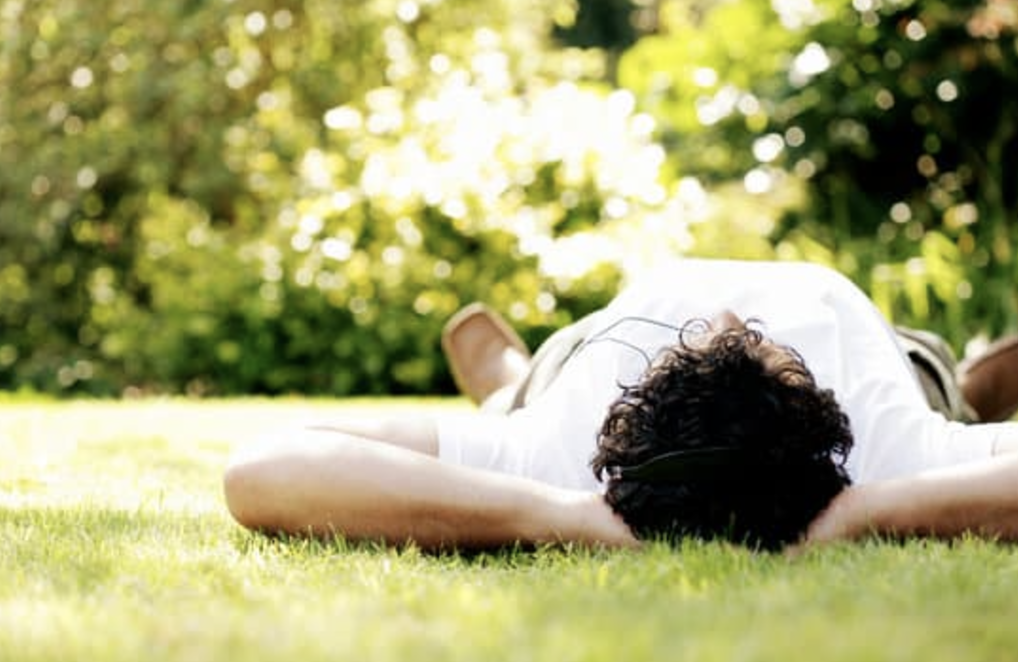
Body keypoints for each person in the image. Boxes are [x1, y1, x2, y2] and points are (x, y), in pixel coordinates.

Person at [222, 258, 1018, 551]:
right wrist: (874, 506)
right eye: (759, 345)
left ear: (627, 412)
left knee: (533, 388)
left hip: (578, 357)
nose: (726, 312)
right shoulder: (891, 451)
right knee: (924, 375)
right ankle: (970, 394)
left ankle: (507, 384)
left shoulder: (557, 451)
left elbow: (264, 468)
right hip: (893, 359)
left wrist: (561, 514)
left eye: (696, 342)